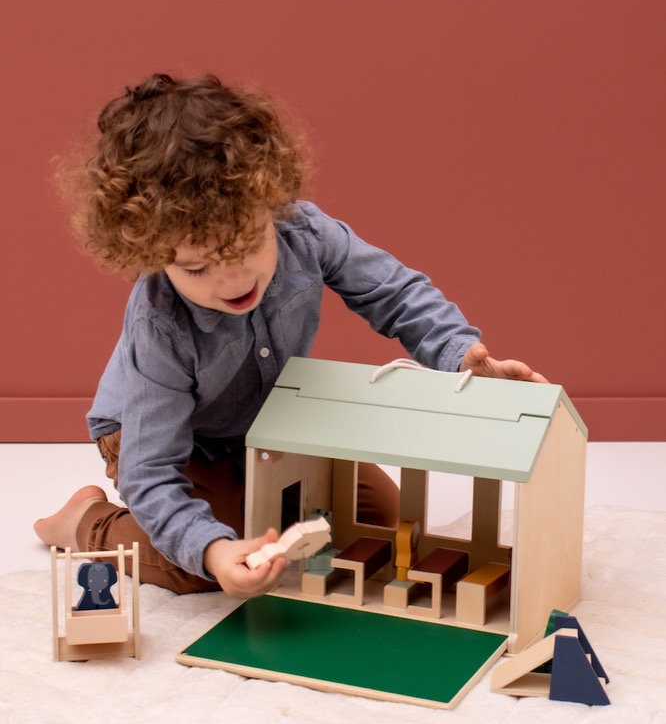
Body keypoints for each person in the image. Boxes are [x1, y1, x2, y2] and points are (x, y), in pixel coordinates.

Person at [35, 73, 546, 599]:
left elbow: (394, 293)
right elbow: (151, 472)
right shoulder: (159, 324)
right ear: (152, 255)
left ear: (270, 202)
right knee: (208, 561)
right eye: (197, 268)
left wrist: (460, 355)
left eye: (247, 246)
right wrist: (213, 550)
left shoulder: (304, 231)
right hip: (159, 437)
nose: (232, 281)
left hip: (266, 418)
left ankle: (244, 497)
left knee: (381, 524)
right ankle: (84, 521)